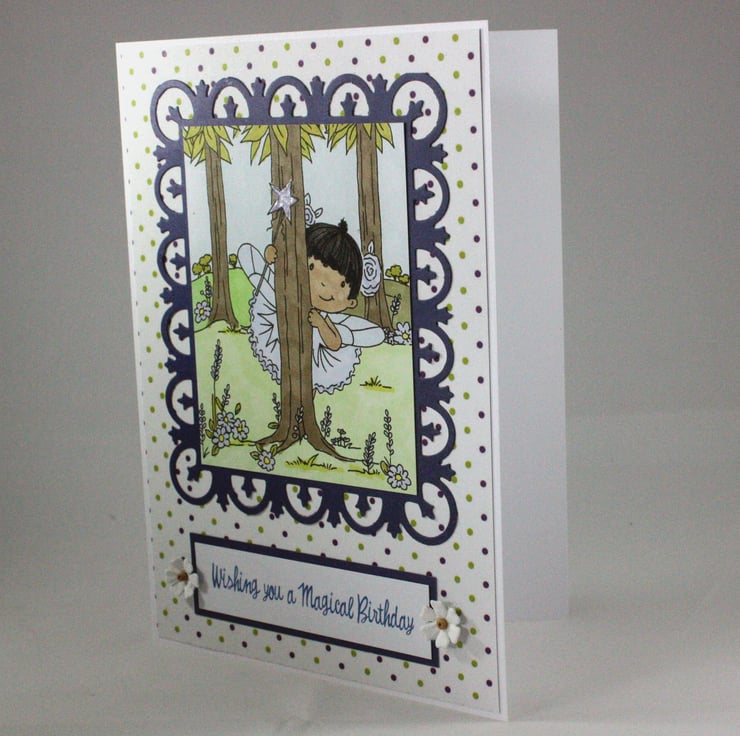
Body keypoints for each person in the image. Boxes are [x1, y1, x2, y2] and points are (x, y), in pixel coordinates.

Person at [239, 220, 385, 394]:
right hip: (285, 340)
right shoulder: (289, 295)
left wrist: (321, 324)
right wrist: (271, 259)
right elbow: (252, 259)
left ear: (351, 302)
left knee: (309, 381)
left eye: (340, 284)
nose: (323, 284)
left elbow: (335, 343)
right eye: (312, 267)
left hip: (315, 356)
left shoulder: (326, 319)